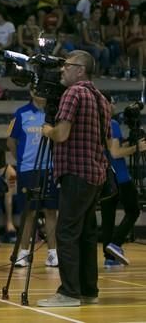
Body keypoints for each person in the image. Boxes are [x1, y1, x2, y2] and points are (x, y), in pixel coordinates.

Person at [39, 50, 111, 307]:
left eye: (67, 66)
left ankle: (68, 292)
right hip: (95, 175)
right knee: (87, 234)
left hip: (75, 173)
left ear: (80, 69)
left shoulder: (73, 93)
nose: (62, 70)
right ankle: (88, 289)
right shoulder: (100, 98)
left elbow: (61, 134)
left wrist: (47, 129)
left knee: (66, 232)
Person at [8, 89, 59, 268]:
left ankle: (53, 253)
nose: (42, 93)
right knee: (28, 212)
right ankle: (23, 253)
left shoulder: (54, 113)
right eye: (38, 90)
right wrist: (22, 161)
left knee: (51, 211)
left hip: (51, 169)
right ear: (31, 91)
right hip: (28, 170)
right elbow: (11, 142)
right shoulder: (21, 113)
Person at [101, 95, 146, 267]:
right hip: (120, 176)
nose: (113, 105)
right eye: (111, 102)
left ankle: (109, 258)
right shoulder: (111, 124)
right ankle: (116, 243)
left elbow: (111, 149)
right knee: (133, 210)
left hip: (105, 178)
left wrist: (127, 142)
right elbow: (115, 153)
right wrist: (137, 148)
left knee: (108, 218)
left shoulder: (98, 123)